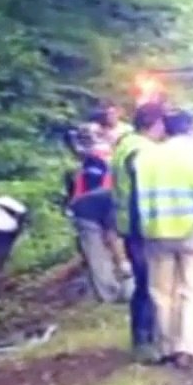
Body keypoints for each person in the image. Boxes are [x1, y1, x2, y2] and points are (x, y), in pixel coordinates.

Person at [131, 109, 193, 369]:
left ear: (166, 128)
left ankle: (165, 348)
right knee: (192, 292)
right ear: (190, 128)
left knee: (161, 294)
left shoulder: (144, 157)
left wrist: (134, 233)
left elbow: (133, 200)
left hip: (155, 233)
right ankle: (186, 348)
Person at [111, 103, 166, 361]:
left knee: (145, 284)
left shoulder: (126, 144)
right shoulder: (141, 150)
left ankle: (143, 338)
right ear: (154, 124)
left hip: (129, 225)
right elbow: (140, 193)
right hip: (140, 227)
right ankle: (145, 341)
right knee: (149, 283)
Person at [65, 123, 131, 303]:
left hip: (89, 202)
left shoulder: (97, 160)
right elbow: (112, 234)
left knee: (101, 253)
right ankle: (109, 294)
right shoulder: (118, 200)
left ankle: (112, 290)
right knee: (97, 255)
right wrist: (124, 264)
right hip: (85, 211)